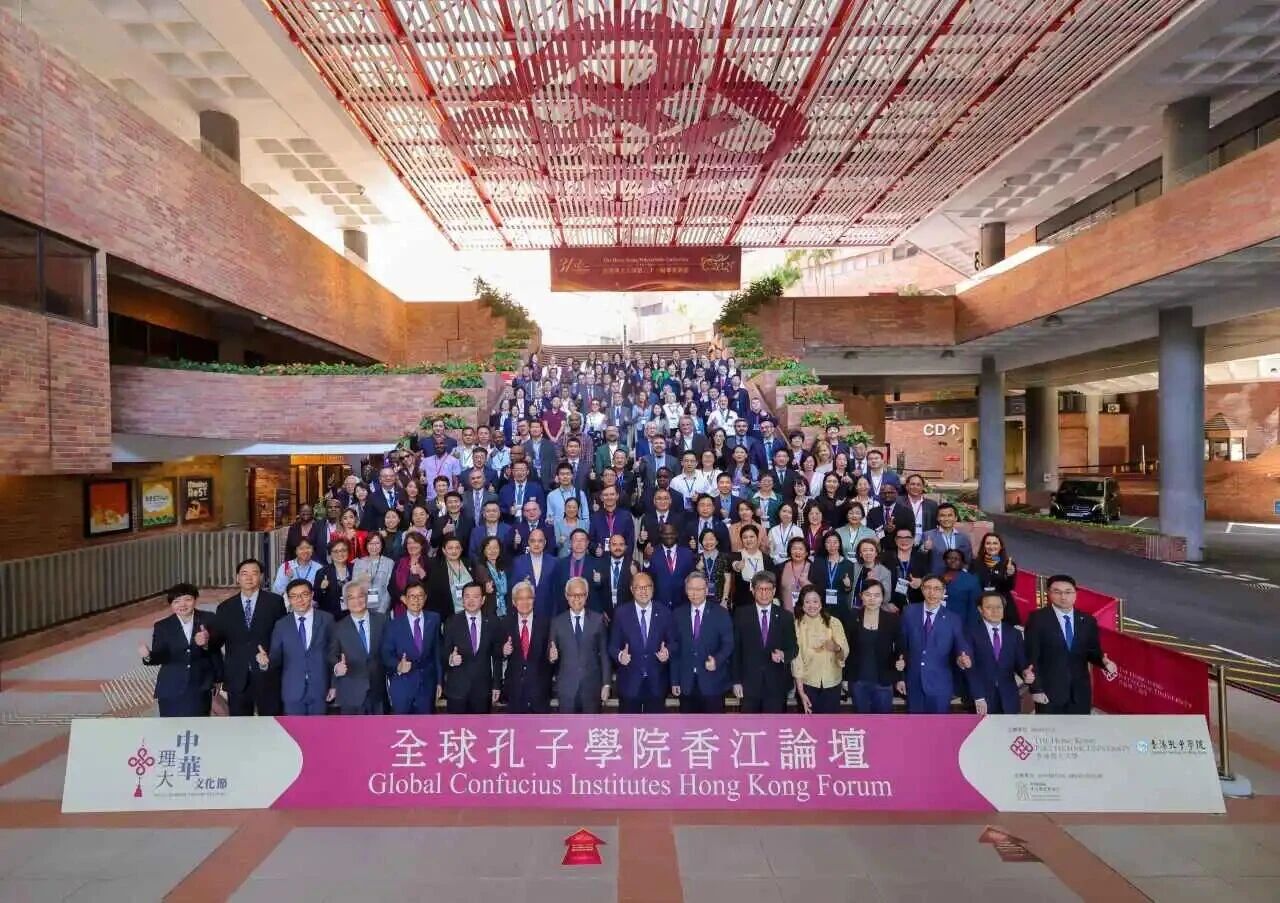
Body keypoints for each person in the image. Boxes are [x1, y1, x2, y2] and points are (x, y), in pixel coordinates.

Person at [1024, 574, 1116, 714]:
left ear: (1075, 594)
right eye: (1057, 592)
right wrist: (1036, 689)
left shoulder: (1087, 621)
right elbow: (1032, 657)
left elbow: (1092, 651)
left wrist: (1103, 661)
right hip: (1049, 693)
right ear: (1048, 593)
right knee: (1050, 728)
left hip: (1079, 693)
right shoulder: (1037, 619)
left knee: (1079, 727)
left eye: (1068, 592)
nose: (1063, 597)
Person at [212, 558, 286, 716]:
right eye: (244, 573)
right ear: (237, 578)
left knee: (270, 722)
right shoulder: (225, 608)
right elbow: (216, 643)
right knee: (240, 725)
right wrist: (206, 640)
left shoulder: (275, 602)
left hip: (267, 674)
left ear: (261, 577)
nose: (249, 577)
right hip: (237, 677)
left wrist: (272, 658)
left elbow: (282, 637)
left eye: (254, 573)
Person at [139, 582, 219, 717]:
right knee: (171, 727)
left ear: (195, 600)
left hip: (199, 686)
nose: (182, 605)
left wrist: (207, 644)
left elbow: (216, 651)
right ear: (171, 604)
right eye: (177, 601)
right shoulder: (162, 626)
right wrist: (148, 655)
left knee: (198, 726)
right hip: (170, 687)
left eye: (187, 599)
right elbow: (162, 655)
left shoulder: (209, 619)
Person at [257, 578, 334, 716]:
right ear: (289, 599)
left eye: (304, 594)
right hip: (292, 690)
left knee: (320, 729)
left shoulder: (327, 619)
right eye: (294, 596)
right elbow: (275, 657)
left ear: (312, 595)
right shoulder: (281, 625)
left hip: (320, 688)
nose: (300, 599)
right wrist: (264, 662)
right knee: (293, 729)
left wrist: (334, 685)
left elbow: (334, 654)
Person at [896, 575, 973, 713]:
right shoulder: (909, 612)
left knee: (938, 725)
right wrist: (900, 678)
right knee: (914, 724)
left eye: (937, 589)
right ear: (922, 589)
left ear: (944, 592)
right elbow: (902, 646)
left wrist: (963, 658)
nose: (932, 592)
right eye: (928, 588)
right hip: (914, 682)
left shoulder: (953, 618)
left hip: (941, 684)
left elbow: (961, 646)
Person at [609, 572, 676, 713]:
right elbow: (612, 646)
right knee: (628, 726)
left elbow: (674, 643)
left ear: (653, 588)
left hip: (656, 684)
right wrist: (620, 656)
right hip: (629, 684)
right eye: (639, 587)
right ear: (632, 590)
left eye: (647, 587)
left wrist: (667, 652)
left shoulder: (665, 612)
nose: (643, 591)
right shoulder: (621, 613)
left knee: (655, 726)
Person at [732, 572, 797, 713]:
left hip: (777, 684)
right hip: (748, 684)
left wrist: (783, 655)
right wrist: (736, 681)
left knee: (775, 725)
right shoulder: (741, 614)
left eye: (768, 589)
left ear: (774, 591)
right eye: (760, 589)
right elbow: (736, 650)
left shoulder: (785, 617)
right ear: (753, 590)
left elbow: (793, 648)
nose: (764, 593)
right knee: (749, 725)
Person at [547, 577, 612, 713]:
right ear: (566, 596)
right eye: (572, 595)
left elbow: (604, 655)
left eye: (581, 595)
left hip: (592, 688)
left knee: (590, 726)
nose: (576, 598)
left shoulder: (598, 620)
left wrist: (606, 684)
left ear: (586, 596)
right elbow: (550, 652)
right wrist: (552, 657)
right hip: (566, 690)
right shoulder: (557, 622)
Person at [670, 573, 734, 713]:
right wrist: (675, 680)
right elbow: (675, 649)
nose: (695, 593)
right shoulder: (677, 614)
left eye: (699, 589)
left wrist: (717, 660)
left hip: (713, 682)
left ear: (706, 590)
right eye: (691, 589)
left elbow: (728, 644)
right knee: (688, 726)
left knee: (714, 725)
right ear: (686, 590)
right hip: (687, 683)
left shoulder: (721, 613)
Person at [380, 579, 441, 714]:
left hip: (426, 686)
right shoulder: (392, 625)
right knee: (402, 725)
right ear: (404, 599)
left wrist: (439, 682)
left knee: (425, 725)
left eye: (420, 596)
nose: (416, 600)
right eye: (412, 596)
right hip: (402, 685)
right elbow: (385, 654)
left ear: (425, 598)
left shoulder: (434, 619)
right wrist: (398, 665)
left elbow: (436, 652)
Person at [326, 582, 389, 714]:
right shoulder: (338, 627)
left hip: (378, 691)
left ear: (366, 597)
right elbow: (332, 655)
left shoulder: (382, 620)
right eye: (351, 598)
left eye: (360, 596)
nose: (357, 601)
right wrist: (337, 667)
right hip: (351, 692)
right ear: (345, 602)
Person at [966, 591, 1032, 716]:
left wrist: (1025, 673)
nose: (995, 611)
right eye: (989, 607)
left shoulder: (1014, 633)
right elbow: (969, 669)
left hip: (1009, 698)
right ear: (980, 609)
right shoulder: (970, 633)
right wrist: (978, 696)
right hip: (981, 699)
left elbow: (1021, 663)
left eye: (999, 607)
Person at [440, 582, 503, 713]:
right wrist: (451, 659)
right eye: (467, 596)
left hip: (482, 690)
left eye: (475, 596)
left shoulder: (493, 622)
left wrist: (496, 685)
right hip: (457, 690)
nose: (471, 600)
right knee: (457, 726)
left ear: (483, 600)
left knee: (481, 726)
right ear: (462, 600)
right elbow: (443, 652)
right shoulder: (452, 622)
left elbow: (497, 657)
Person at [841, 580, 901, 714]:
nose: (872, 599)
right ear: (861, 596)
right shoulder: (852, 617)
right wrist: (845, 677)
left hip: (883, 681)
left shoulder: (892, 619)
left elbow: (899, 649)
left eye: (877, 595)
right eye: (868, 595)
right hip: (858, 681)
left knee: (883, 722)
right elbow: (846, 648)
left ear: (882, 597)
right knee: (862, 721)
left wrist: (899, 677)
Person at [792, 585, 849, 714]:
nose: (811, 605)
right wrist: (801, 692)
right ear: (802, 605)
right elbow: (797, 660)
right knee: (808, 723)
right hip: (807, 684)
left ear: (821, 603)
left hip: (832, 683)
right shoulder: (796, 625)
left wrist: (836, 648)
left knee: (830, 723)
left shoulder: (834, 622)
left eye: (815, 601)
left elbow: (844, 653)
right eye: (807, 602)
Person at [498, 581, 553, 713]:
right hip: (514, 690)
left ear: (534, 600)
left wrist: (552, 657)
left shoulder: (546, 623)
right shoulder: (504, 624)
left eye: (529, 598)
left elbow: (551, 653)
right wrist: (503, 651)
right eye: (520, 598)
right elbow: (496, 653)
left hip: (540, 690)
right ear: (513, 601)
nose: (525, 602)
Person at [971, 532, 1019, 625]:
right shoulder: (975, 563)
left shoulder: (1007, 564)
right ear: (984, 546)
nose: (991, 546)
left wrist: (1009, 575)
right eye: (988, 543)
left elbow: (1010, 587)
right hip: (981, 606)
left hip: (1002, 606)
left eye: (995, 543)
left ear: (1000, 546)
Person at [510, 528, 557, 618]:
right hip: (524, 613)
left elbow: (556, 592)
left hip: (547, 614)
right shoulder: (518, 562)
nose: (536, 544)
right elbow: (513, 590)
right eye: (533, 541)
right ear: (528, 542)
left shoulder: (554, 562)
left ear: (545, 543)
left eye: (540, 541)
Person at [646, 522, 694, 608]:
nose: (669, 536)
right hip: (659, 605)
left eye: (672, 533)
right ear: (661, 535)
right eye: (665, 534)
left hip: (682, 605)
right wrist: (646, 559)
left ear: (676, 534)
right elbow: (647, 577)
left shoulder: (687, 554)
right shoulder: (652, 553)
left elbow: (692, 579)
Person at [922, 503, 973, 574]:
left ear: (955, 518)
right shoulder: (928, 535)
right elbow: (919, 559)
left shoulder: (964, 538)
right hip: (935, 577)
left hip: (958, 577)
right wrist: (925, 549)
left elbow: (968, 560)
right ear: (937, 518)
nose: (946, 519)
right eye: (942, 515)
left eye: (950, 515)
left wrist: (962, 574)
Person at [727, 523, 769, 609]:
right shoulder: (736, 556)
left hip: (763, 601)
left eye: (751, 537)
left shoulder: (766, 559)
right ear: (741, 540)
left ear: (757, 538)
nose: (748, 540)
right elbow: (732, 565)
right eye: (745, 537)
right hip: (742, 603)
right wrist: (737, 566)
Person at [810, 532, 856, 610]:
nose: (832, 545)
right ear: (824, 545)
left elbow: (848, 591)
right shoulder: (818, 562)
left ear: (839, 544)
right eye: (828, 542)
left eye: (835, 542)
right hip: (820, 605)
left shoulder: (848, 564)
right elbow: (813, 582)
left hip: (840, 606)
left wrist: (848, 586)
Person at [886, 527, 928, 610]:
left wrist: (921, 582)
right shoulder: (886, 558)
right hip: (892, 607)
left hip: (916, 606)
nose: (904, 541)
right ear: (895, 540)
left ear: (913, 539)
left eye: (907, 538)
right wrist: (886, 603)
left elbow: (930, 578)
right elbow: (880, 583)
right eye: (900, 538)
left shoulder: (921, 558)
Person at [312, 538, 354, 619]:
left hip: (352, 614)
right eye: (335, 551)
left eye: (343, 550)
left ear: (348, 552)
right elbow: (316, 598)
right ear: (330, 554)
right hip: (331, 617)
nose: (340, 554)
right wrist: (322, 589)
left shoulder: (355, 568)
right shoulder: (322, 572)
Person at [940, 549, 982, 627]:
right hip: (938, 624)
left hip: (960, 625)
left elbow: (975, 609)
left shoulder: (971, 580)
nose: (953, 560)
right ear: (945, 561)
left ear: (962, 563)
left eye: (957, 559)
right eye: (949, 558)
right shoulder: (936, 578)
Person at [391, 532, 431, 612]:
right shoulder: (400, 562)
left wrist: (422, 574)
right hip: (401, 606)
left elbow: (434, 587)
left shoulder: (429, 562)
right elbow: (391, 586)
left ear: (422, 545)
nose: (412, 546)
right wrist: (402, 597)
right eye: (409, 543)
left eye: (415, 542)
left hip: (424, 608)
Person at [850, 538, 893, 610]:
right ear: (860, 554)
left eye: (871, 550)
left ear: (876, 553)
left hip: (873, 610)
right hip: (854, 608)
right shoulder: (853, 567)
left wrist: (876, 582)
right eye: (864, 550)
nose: (868, 553)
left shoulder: (884, 572)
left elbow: (887, 598)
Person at [365, 467, 408, 532]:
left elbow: (410, 515)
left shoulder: (403, 493)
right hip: (381, 534)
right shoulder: (372, 497)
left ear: (395, 478)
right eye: (385, 476)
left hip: (401, 533)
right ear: (380, 479)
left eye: (391, 476)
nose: (388, 478)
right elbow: (368, 520)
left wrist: (403, 511)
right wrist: (377, 533)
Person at [777, 536, 812, 612]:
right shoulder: (780, 568)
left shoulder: (814, 568)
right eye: (794, 549)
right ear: (789, 551)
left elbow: (819, 591)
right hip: (786, 613)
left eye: (801, 549)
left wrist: (807, 583)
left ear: (806, 552)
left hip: (808, 613)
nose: (797, 552)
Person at [901, 474, 938, 542]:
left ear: (923, 487)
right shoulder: (898, 502)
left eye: (918, 485)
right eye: (912, 484)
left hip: (926, 543)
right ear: (907, 486)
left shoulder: (932, 505)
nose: (915, 487)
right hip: (904, 541)